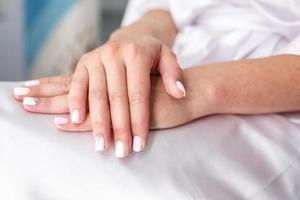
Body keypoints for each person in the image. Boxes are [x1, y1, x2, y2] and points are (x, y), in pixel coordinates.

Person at [13, 0, 300, 158]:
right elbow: (167, 9)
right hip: (173, 54)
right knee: (14, 127)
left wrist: (192, 92)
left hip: (268, 99)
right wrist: (134, 37)